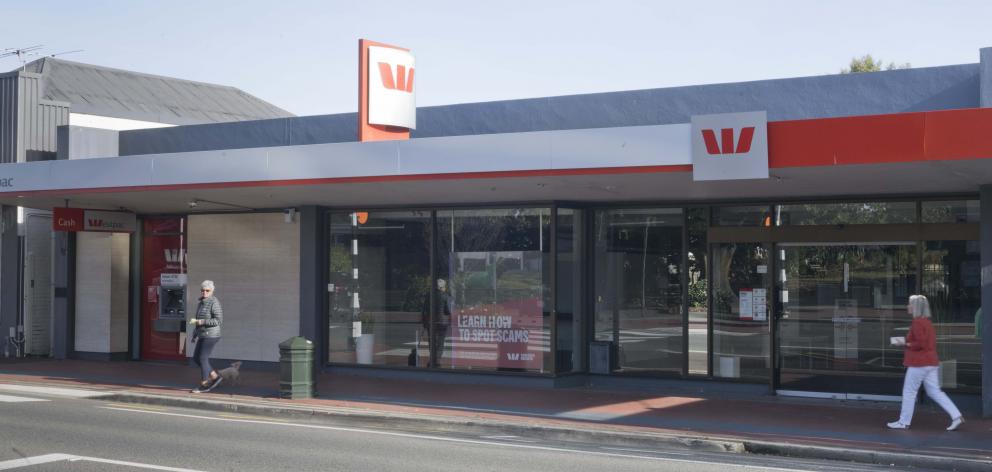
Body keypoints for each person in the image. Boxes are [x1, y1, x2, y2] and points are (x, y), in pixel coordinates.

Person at [887, 295, 963, 431]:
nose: (907, 306)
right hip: (931, 361)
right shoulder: (927, 322)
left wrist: (905, 343)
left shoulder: (917, 322)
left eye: (910, 304)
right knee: (935, 391)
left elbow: (919, 344)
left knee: (909, 392)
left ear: (916, 307)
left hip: (919, 363)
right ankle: (956, 416)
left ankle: (903, 422)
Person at [188, 280, 223, 393]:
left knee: (203, 358)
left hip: (212, 334)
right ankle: (215, 377)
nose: (204, 292)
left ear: (212, 291)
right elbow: (198, 321)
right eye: (202, 290)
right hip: (202, 334)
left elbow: (218, 320)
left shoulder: (214, 302)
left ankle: (205, 384)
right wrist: (195, 334)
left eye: (207, 290)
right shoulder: (201, 303)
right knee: (196, 358)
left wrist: (201, 322)